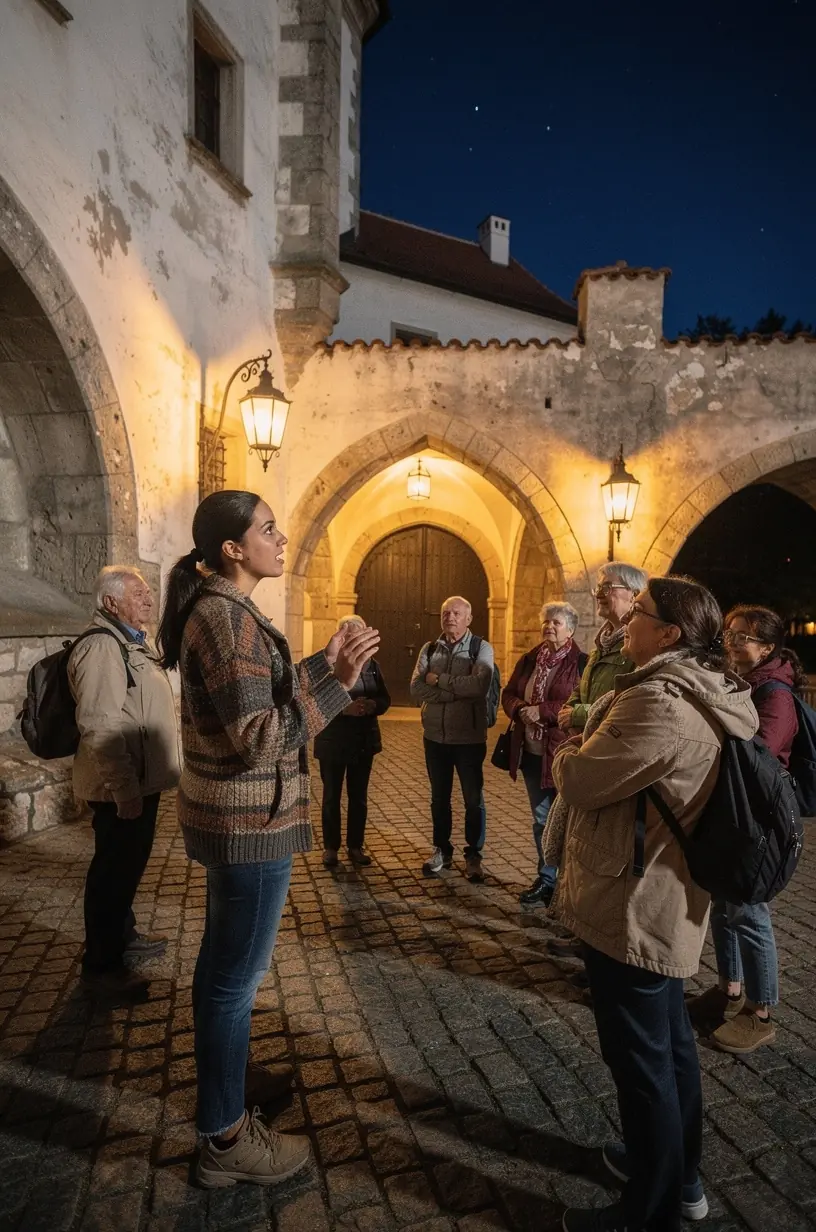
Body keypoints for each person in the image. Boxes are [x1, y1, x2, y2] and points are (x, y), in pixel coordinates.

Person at [157, 490, 378, 1188]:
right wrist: (339, 686)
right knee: (234, 981)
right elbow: (260, 739)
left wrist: (318, 662)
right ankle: (224, 1139)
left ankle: (231, 1079)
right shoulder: (225, 619)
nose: (281, 540)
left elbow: (263, 693)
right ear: (232, 549)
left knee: (222, 970)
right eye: (269, 530)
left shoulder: (225, 611)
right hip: (250, 822)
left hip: (235, 817)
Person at [551, 576, 758, 1232]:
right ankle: (677, 1171)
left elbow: (584, 778)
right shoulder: (698, 689)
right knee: (667, 1045)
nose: (624, 624)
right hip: (658, 893)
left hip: (635, 902)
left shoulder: (663, 702)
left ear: (670, 633)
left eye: (638, 615)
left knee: (641, 1059)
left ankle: (654, 1206)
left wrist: (565, 753)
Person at [687, 604, 804, 1054]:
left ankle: (761, 1011)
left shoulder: (775, 695)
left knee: (750, 912)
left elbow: (757, 755)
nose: (732, 641)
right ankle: (728, 987)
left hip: (759, 822)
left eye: (744, 636)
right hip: (732, 813)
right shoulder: (740, 682)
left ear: (767, 647)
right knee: (723, 905)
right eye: (730, 633)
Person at [69, 566, 180, 1000]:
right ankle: (101, 967)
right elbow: (101, 724)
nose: (149, 598)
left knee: (127, 867)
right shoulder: (101, 648)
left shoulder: (132, 642)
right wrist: (124, 790)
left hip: (140, 780)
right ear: (111, 603)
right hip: (122, 785)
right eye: (138, 593)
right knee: (112, 874)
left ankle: (123, 935)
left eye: (149, 591)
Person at [549, 562, 646, 958]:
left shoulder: (635, 649)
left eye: (609, 587)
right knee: (577, 847)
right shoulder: (604, 640)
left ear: (633, 595)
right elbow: (582, 690)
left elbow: (626, 706)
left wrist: (578, 715)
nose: (600, 593)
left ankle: (599, 941)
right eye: (599, 588)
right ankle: (579, 924)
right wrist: (573, 707)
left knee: (602, 854)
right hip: (588, 751)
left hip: (610, 759)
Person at [500, 602, 585, 907]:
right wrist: (521, 709)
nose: (550, 627)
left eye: (557, 623)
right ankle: (547, 879)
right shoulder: (529, 659)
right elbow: (507, 694)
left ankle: (569, 884)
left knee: (566, 820)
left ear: (571, 629)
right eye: (546, 622)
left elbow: (575, 704)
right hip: (532, 752)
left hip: (562, 753)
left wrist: (543, 711)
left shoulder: (581, 663)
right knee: (540, 819)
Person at [410, 595, 494, 883]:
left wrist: (440, 680)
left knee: (473, 799)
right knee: (438, 798)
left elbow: (480, 684)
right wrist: (450, 694)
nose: (451, 617)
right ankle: (442, 850)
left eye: (457, 613)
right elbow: (416, 687)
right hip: (434, 737)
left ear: (468, 619)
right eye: (446, 613)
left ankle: (474, 856)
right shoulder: (429, 648)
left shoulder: (481, 648)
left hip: (469, 739)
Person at [314, 614, 391, 868]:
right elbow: (314, 700)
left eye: (355, 634)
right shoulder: (326, 664)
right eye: (346, 634)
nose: (351, 638)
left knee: (358, 796)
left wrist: (371, 705)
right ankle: (330, 848)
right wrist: (343, 709)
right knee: (331, 796)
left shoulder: (372, 665)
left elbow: (384, 699)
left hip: (362, 741)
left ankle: (356, 846)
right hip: (332, 740)